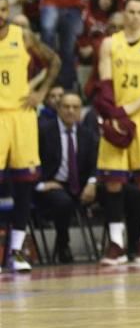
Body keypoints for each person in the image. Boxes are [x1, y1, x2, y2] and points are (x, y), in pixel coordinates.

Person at [94, 0, 140, 266]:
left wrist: (129, 109)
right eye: (131, 11)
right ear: (123, 14)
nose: (135, 16)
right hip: (116, 116)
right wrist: (113, 113)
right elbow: (104, 83)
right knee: (113, 181)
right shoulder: (109, 44)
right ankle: (117, 243)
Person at [0, 0, 61, 272]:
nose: (0, 14)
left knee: (24, 184)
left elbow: (55, 61)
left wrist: (42, 92)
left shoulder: (22, 35)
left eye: (3, 9)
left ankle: (17, 250)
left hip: (22, 114)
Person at [36, 91, 99, 263]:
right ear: (58, 109)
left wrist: (92, 183)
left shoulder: (88, 134)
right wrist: (41, 184)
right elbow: (31, 161)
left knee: (122, 192)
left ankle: (123, 244)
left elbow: (96, 165)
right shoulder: (43, 131)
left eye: (75, 107)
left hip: (80, 186)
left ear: (80, 111)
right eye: (66, 107)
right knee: (63, 202)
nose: (71, 111)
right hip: (52, 185)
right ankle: (64, 245)